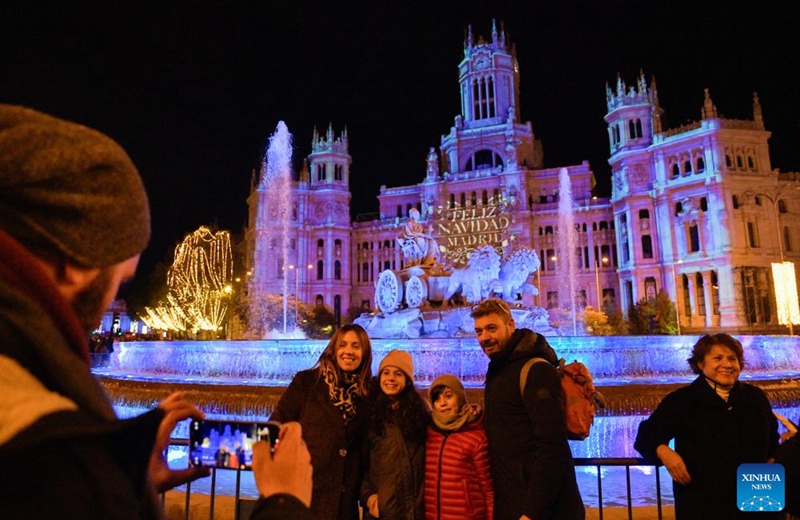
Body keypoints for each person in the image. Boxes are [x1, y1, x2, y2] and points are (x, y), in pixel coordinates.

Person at [0, 104, 311, 519]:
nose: (108, 305)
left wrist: (127, 471)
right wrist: (284, 501)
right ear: (73, 262)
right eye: (119, 279)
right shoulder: (55, 458)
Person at [634, 333, 780, 519]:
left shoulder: (755, 397)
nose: (727, 364)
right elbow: (646, 437)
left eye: (732, 359)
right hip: (704, 502)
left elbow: (772, 439)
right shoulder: (682, 400)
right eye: (717, 358)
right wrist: (664, 451)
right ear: (701, 364)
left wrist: (773, 462)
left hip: (756, 498)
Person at [470, 298, 584, 520]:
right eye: (479, 331)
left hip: (544, 511)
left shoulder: (535, 370)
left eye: (492, 328)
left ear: (510, 326)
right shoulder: (499, 370)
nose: (485, 337)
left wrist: (532, 511)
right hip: (513, 502)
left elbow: (552, 445)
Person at [270, 323, 374, 520]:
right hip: (305, 497)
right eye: (343, 345)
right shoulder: (307, 382)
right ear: (334, 349)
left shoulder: (368, 394)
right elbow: (276, 425)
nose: (348, 351)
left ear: (364, 353)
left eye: (356, 346)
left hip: (344, 505)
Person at [361, 349, 428, 520]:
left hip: (416, 510)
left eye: (398, 374)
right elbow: (357, 464)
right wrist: (369, 498)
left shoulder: (421, 416)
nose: (390, 378)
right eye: (386, 373)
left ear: (407, 380)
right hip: (383, 512)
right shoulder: (368, 415)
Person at [424, 374, 494, 520]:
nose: (442, 403)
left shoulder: (476, 437)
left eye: (448, 396)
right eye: (437, 399)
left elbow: (489, 491)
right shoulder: (429, 434)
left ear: (460, 398)